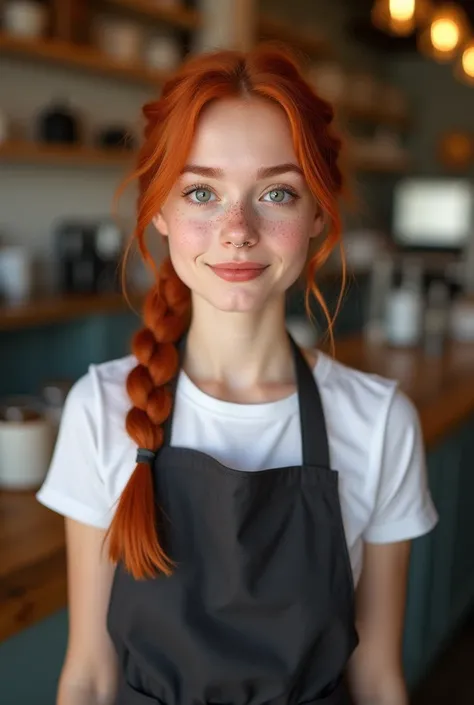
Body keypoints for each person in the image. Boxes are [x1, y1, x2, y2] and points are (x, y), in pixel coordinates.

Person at [37, 45, 438, 705]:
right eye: (202, 192)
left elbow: (377, 678)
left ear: (318, 214)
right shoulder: (100, 407)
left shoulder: (380, 420)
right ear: (160, 213)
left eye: (276, 192)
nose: (238, 230)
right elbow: (89, 673)